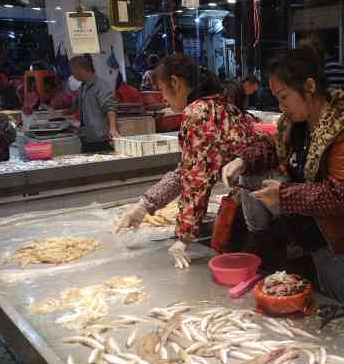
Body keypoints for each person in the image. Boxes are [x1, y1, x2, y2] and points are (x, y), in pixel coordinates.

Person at [222, 47, 344, 315]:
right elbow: (274, 149)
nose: (281, 107)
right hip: (310, 235)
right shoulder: (296, 125)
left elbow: (341, 195)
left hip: (341, 239)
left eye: (284, 97)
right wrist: (242, 161)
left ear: (309, 87)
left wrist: (284, 196)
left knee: (342, 312)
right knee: (318, 308)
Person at [115, 54, 273, 268]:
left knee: (263, 262)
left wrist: (184, 238)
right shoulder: (219, 105)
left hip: (262, 202)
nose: (163, 99)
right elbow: (188, 170)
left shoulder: (198, 113)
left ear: (175, 83)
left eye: (161, 90)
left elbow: (196, 181)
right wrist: (144, 205)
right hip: (265, 198)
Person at [69, 55, 119, 153]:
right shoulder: (83, 87)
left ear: (81, 69)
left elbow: (110, 108)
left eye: (73, 71)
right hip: (87, 137)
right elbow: (76, 107)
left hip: (101, 139)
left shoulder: (100, 86)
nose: (72, 74)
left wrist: (112, 129)